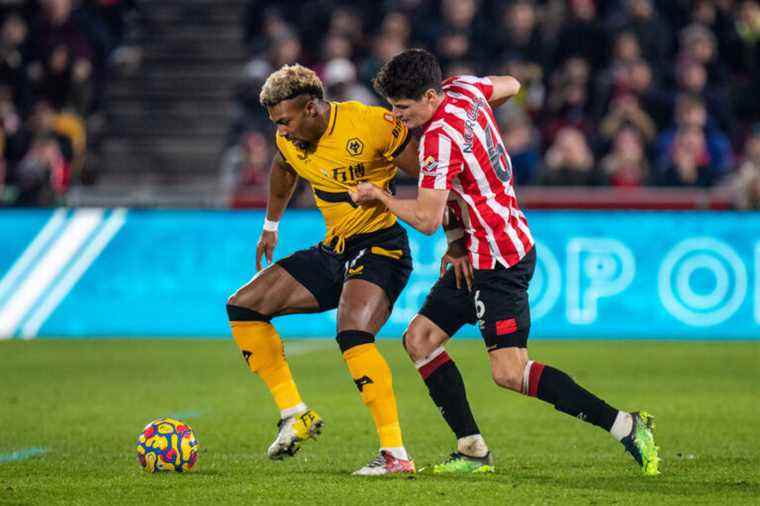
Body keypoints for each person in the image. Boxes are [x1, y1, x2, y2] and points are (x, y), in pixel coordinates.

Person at [352, 48, 660, 476]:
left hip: (498, 259)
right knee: (420, 339)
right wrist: (457, 240)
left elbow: (424, 217)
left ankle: (626, 425)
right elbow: (512, 84)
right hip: (477, 251)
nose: (396, 117)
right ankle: (472, 449)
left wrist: (380, 196)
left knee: (510, 372)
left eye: (403, 109)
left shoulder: (438, 140)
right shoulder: (463, 89)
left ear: (429, 97)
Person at [225, 64, 419, 475]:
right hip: (335, 250)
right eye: (277, 123)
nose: (283, 131)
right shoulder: (288, 137)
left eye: (287, 121)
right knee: (244, 306)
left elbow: (431, 172)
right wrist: (270, 225)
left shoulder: (370, 124)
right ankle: (295, 413)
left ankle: (395, 455)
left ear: (312, 108)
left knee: (352, 332)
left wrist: (457, 237)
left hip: (383, 245)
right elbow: (283, 167)